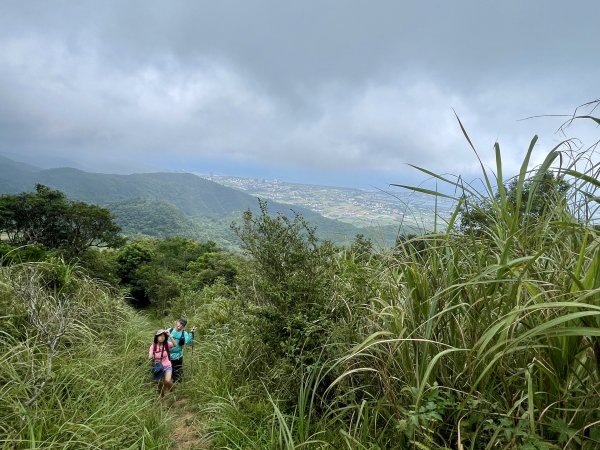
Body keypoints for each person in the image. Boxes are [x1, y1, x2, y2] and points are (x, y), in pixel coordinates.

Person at [167, 318, 196, 383]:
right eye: (180, 323)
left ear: (184, 326)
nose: (180, 325)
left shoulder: (184, 333)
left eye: (183, 325)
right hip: (167, 355)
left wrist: (191, 333)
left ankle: (178, 384)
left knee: (178, 370)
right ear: (177, 322)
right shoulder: (169, 330)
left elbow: (188, 341)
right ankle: (169, 382)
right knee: (168, 370)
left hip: (178, 356)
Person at [149, 329, 176, 396]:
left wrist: (170, 335)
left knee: (167, 381)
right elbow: (149, 356)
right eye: (160, 336)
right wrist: (152, 356)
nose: (162, 337)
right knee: (159, 383)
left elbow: (175, 344)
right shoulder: (153, 346)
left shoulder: (167, 344)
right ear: (157, 337)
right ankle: (162, 396)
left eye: (163, 336)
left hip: (167, 366)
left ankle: (173, 392)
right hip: (158, 367)